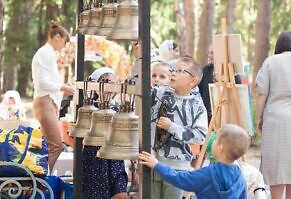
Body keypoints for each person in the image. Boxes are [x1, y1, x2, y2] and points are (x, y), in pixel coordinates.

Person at [139, 124, 250, 199]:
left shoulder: (207, 174)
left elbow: (179, 179)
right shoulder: (240, 177)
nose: (213, 141)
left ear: (220, 148)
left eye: (216, 139)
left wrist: (156, 165)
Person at [150, 56, 208, 199]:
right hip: (153, 163)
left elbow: (200, 136)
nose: (173, 73)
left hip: (178, 170)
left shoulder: (197, 106)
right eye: (173, 70)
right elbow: (140, 91)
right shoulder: (159, 94)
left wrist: (172, 127)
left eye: (180, 71)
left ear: (192, 81)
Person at [255, 31, 291, 199]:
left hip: (275, 120)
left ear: (279, 45)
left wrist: (258, 118)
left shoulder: (271, 62)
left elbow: (261, 93)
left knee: (277, 163)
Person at [31, 21, 75, 172]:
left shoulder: (48, 54)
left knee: (43, 146)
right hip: (44, 102)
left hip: (47, 103)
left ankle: (36, 178)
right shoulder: (45, 53)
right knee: (56, 145)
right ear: (57, 37)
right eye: (64, 42)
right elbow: (42, 83)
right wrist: (63, 87)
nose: (63, 46)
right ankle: (41, 180)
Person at [82, 67, 128, 199]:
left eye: (113, 83)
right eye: (104, 82)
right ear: (95, 86)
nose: (109, 87)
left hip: (115, 158)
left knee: (121, 194)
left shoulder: (119, 108)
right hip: (95, 158)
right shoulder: (90, 108)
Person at [198, 45, 241, 123]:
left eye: (212, 53)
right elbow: (199, 92)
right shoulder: (206, 70)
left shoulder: (233, 74)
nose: (209, 55)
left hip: (226, 116)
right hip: (207, 116)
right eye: (209, 53)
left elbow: (238, 96)